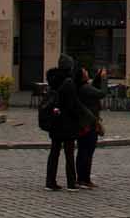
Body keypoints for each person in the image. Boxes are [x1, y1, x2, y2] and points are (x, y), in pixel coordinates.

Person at [44, 54, 82, 191]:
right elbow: (72, 105)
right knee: (69, 153)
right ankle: (71, 183)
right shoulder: (68, 82)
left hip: (55, 121)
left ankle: (50, 181)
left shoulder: (52, 80)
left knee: (54, 152)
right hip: (67, 123)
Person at [73, 64, 108, 189]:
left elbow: (93, 87)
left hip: (85, 122)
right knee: (86, 152)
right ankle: (83, 179)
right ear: (82, 76)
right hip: (88, 124)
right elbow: (102, 93)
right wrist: (104, 79)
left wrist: (98, 76)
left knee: (84, 151)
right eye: (85, 71)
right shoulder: (84, 88)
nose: (87, 72)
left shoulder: (83, 87)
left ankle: (82, 178)